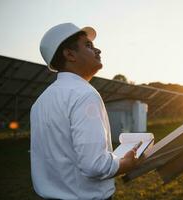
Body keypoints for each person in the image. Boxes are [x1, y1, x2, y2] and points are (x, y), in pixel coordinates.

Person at [30, 23, 138, 200]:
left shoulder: (40, 102)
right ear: (69, 54)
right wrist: (126, 163)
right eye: (88, 46)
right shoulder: (84, 94)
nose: (98, 50)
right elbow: (94, 165)